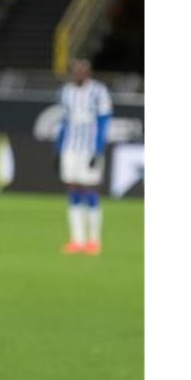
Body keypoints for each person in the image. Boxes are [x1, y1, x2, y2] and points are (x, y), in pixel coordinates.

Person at [56, 59, 113, 256]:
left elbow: (104, 121)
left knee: (89, 190)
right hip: (70, 148)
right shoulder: (66, 92)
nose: (78, 75)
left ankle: (94, 241)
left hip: (89, 148)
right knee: (73, 189)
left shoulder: (99, 92)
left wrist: (98, 150)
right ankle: (77, 240)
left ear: (88, 73)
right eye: (75, 71)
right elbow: (63, 121)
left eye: (81, 71)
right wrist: (58, 148)